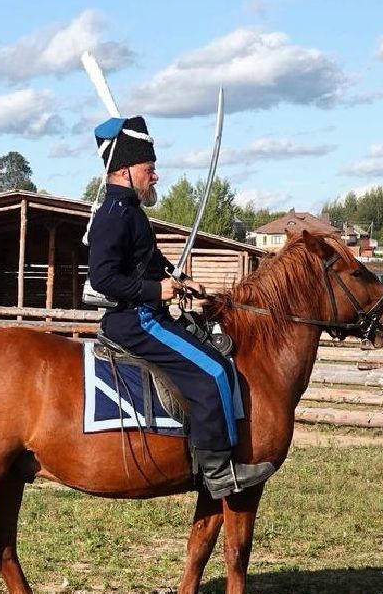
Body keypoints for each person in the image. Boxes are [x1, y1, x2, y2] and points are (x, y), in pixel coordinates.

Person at [85, 114, 275, 500]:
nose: (155, 176)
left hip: (147, 314)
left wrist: (182, 279)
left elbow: (150, 260)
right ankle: (218, 471)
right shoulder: (112, 216)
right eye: (148, 168)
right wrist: (157, 290)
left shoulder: (131, 212)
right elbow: (103, 278)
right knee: (215, 371)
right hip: (136, 321)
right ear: (123, 171)